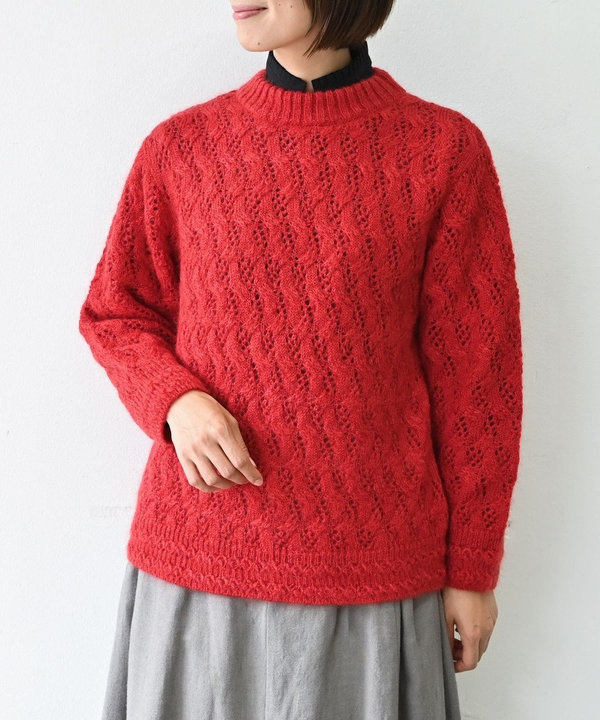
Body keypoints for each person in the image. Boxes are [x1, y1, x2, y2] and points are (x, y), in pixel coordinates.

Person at [78, 1, 523, 718]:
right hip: (200, 569)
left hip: (373, 576)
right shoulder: (182, 148)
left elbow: (479, 382)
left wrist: (473, 568)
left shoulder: (443, 151)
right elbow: (116, 310)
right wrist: (175, 400)